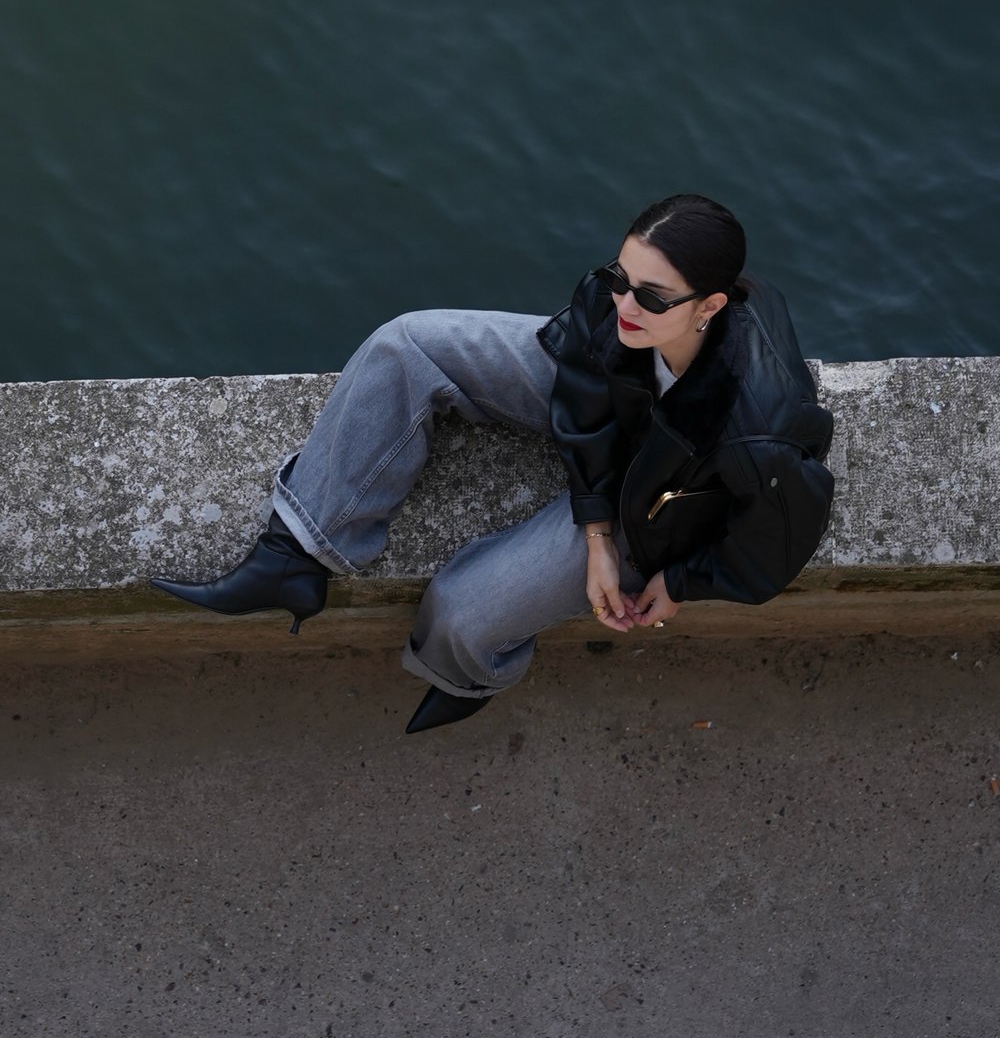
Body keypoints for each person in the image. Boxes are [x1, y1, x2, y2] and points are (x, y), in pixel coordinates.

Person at [152, 194, 834, 734]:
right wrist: (592, 529)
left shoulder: (758, 430)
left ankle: (465, 677)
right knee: (408, 344)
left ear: (712, 305)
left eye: (650, 297)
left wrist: (678, 580)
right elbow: (588, 384)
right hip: (616, 414)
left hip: (661, 497)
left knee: (460, 613)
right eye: (620, 278)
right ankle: (296, 553)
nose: (622, 303)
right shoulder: (625, 309)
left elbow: (774, 549)